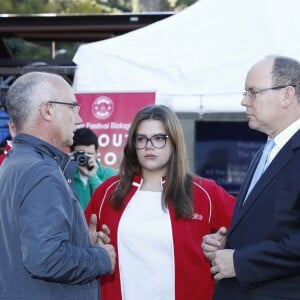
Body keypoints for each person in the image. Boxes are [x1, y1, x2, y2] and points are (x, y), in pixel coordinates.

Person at [85, 104, 236, 300]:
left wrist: (226, 243)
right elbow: (78, 241)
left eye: (159, 139)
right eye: (141, 139)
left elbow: (253, 229)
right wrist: (90, 245)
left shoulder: (205, 193)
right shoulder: (108, 192)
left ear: (174, 142)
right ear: (133, 144)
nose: (149, 145)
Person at [0, 71, 116, 299]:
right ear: (48, 111)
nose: (79, 118)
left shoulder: (14, 164)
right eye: (72, 107)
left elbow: (24, 242)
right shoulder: (42, 172)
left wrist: (80, 241)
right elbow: (45, 259)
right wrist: (101, 257)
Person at [202, 55, 300, 300]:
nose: (244, 101)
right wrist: (227, 244)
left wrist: (240, 261)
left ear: (287, 95)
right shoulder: (266, 150)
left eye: (253, 92)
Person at [70, 127, 117, 210]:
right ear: (72, 154)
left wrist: (93, 177)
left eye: (89, 154)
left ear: (97, 153)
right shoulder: (66, 175)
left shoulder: (110, 174)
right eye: (81, 154)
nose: (85, 158)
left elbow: (110, 204)